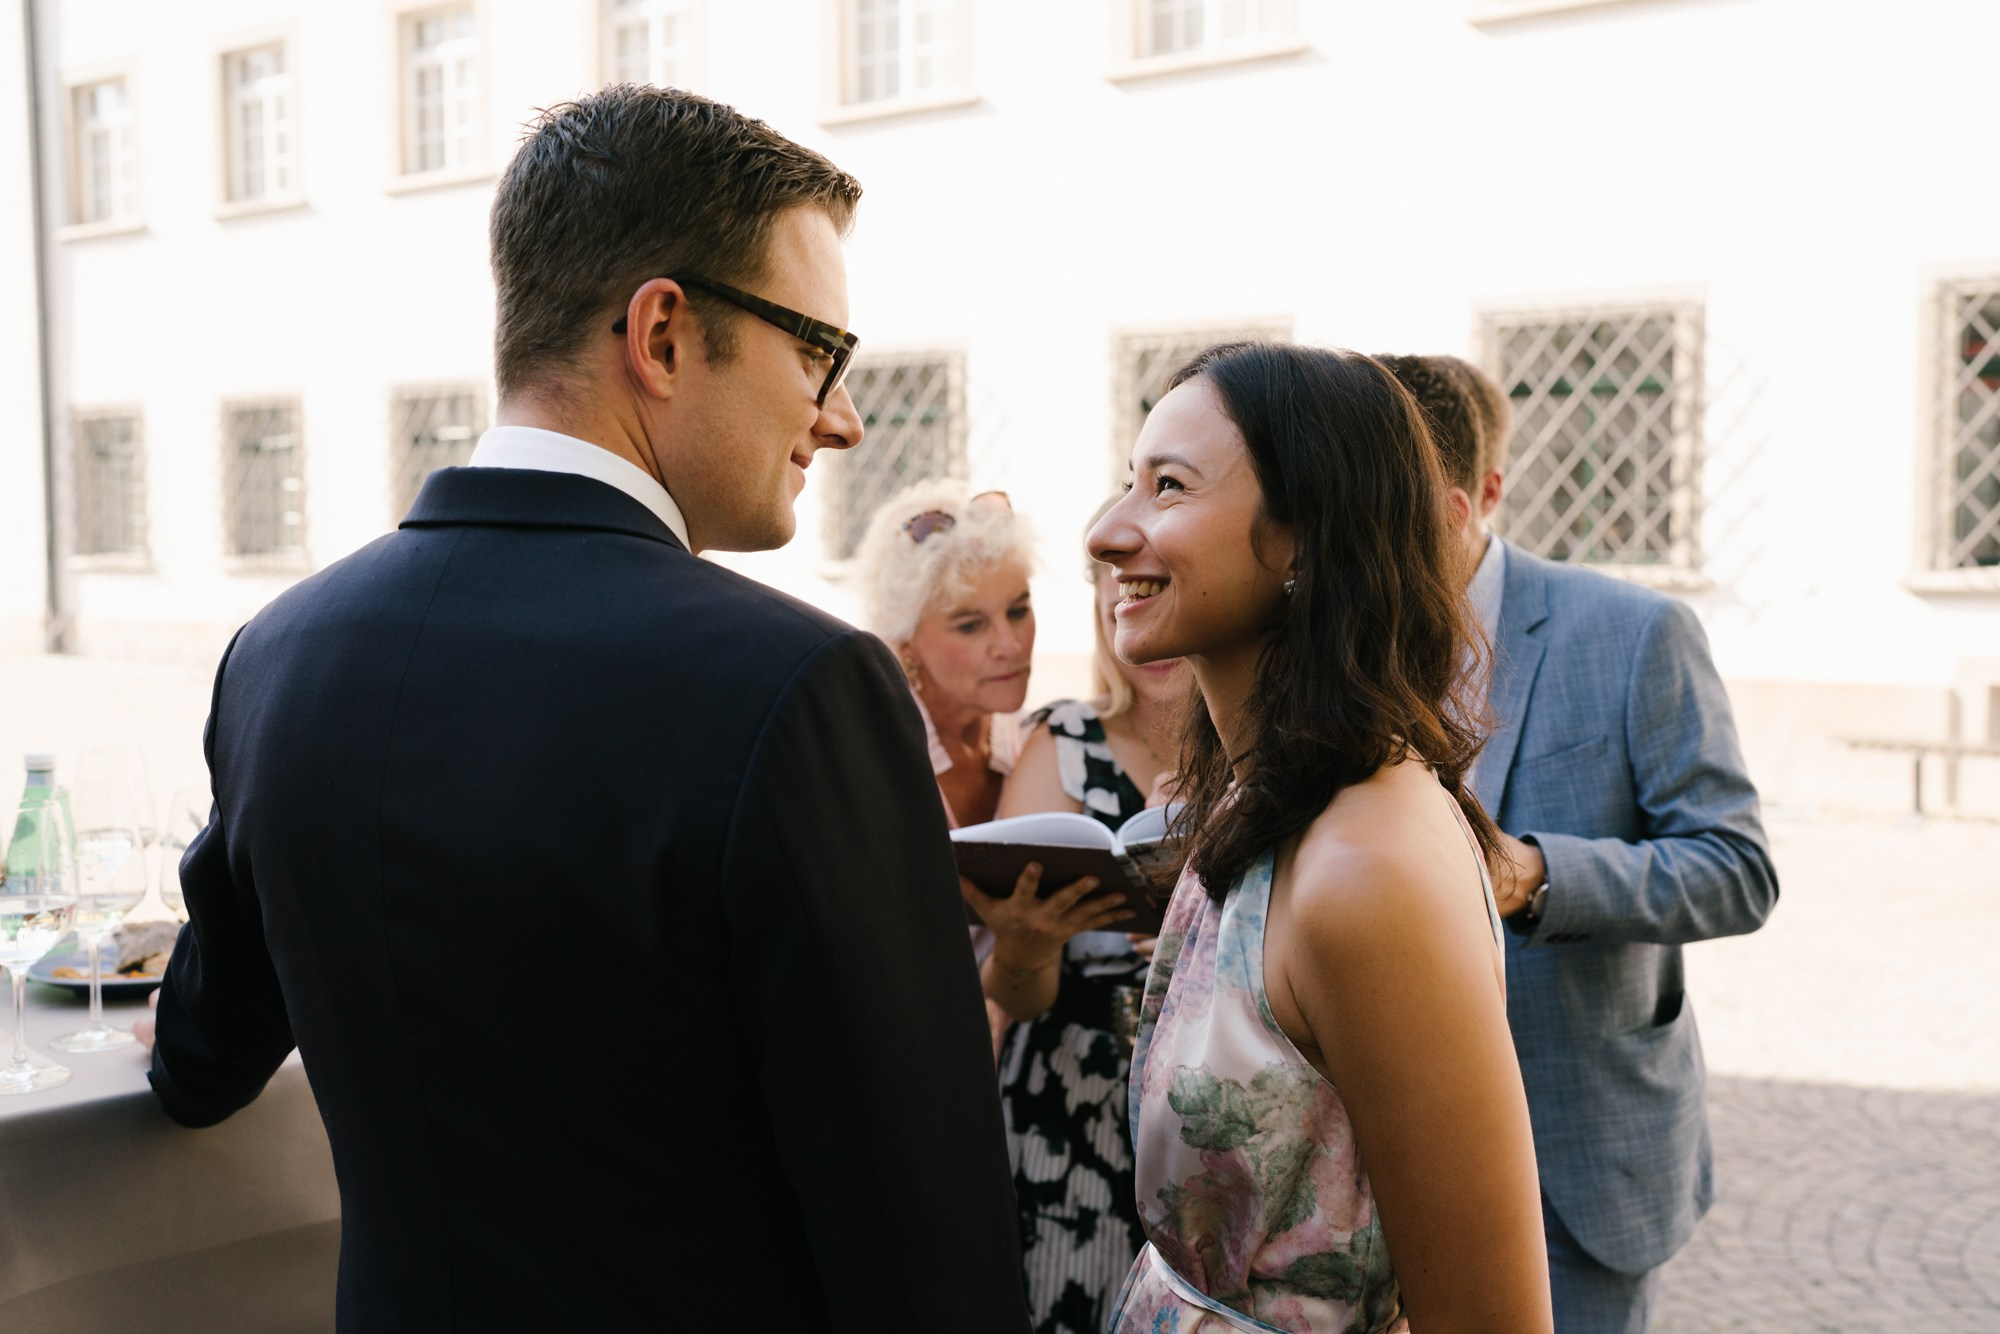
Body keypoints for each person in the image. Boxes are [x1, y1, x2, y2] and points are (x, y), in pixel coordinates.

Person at [143, 87, 1030, 1333]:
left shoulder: (278, 655)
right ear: (662, 333)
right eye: (817, 352)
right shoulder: (799, 689)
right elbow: (924, 1243)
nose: (842, 417)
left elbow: (197, 1058)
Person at [1091, 341, 1552, 1333]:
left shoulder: (1364, 867)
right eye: (1124, 482)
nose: (1105, 530)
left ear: (1302, 536)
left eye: (1166, 486)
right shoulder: (1259, 799)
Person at [1380, 353, 1778, 1334]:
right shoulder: (1343, 647)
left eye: (1400, 502)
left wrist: (1536, 871)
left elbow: (1737, 869)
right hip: (1377, 1150)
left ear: (1480, 495)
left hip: (1574, 1157)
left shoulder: (1634, 630)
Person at [981, 501, 1185, 1334]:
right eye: (1117, 606)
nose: (1139, 629)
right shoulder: (1061, 742)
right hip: (1068, 1113)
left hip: (1209, 1112)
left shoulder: (1274, 754)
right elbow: (1016, 992)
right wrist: (1027, 946)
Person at [853, 481, 1128, 1060]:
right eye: (969, 625)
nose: (1009, 644)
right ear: (905, 644)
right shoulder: (865, 758)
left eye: (1018, 611)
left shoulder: (1036, 740)